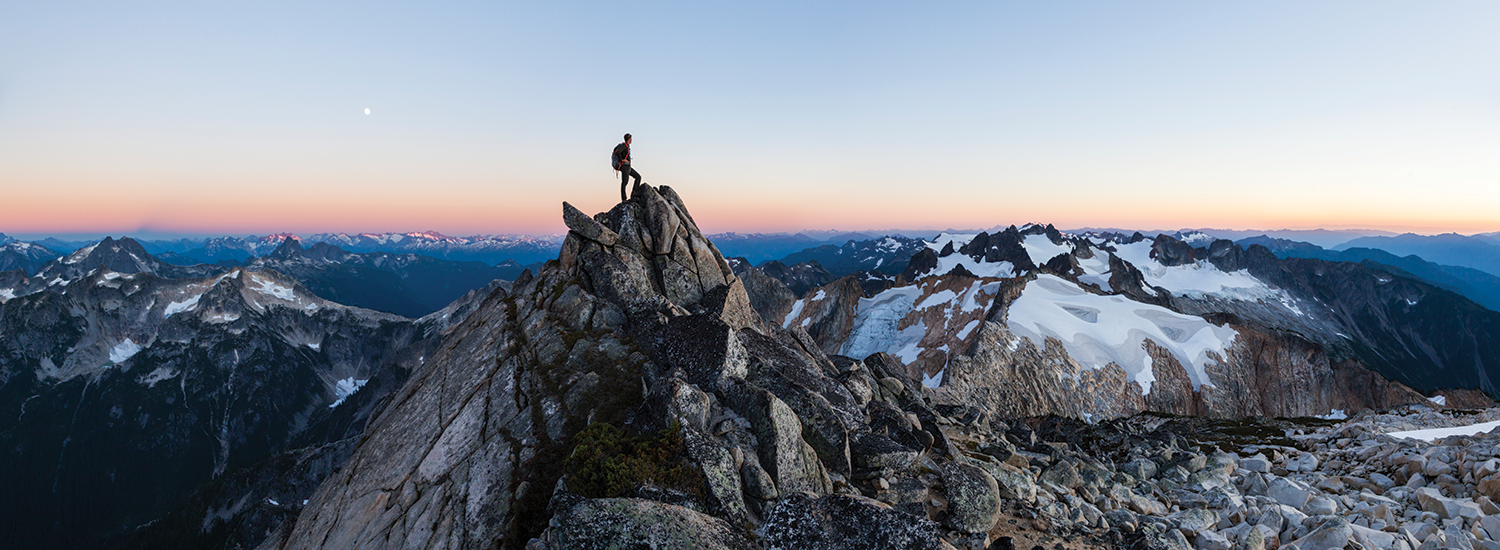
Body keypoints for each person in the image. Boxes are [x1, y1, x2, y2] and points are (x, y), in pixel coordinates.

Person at [613, 133, 642, 201]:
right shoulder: (624, 146)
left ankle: (634, 193)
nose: (632, 140)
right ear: (629, 139)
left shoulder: (627, 146)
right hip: (625, 167)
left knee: (638, 177)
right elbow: (618, 152)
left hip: (628, 167)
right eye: (631, 138)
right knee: (625, 182)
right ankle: (624, 199)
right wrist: (622, 160)